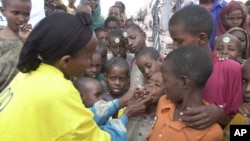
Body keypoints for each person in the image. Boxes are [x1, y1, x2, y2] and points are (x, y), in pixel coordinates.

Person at [0, 12, 152, 141]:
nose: (89, 64)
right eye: (87, 58)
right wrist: (126, 115)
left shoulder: (31, 74)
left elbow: (80, 119)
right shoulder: (59, 91)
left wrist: (120, 102)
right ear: (66, 61)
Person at [168, 5, 243, 129]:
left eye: (179, 41)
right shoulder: (174, 69)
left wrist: (221, 116)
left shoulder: (231, 69)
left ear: (201, 38)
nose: (174, 47)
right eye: (173, 41)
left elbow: (241, 132)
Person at [148, 46, 223, 141]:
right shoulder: (164, 103)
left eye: (165, 80)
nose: (163, 85)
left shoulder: (211, 134)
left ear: (184, 82)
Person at [0, 0, 32, 93]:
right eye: (15, 13)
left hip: (21, 97)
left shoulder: (33, 39)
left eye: (26, 15)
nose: (21, 19)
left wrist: (28, 41)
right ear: (3, 11)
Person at [126, 71, 165, 141]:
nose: (149, 85)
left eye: (157, 85)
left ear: (165, 93)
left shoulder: (162, 119)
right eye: (149, 82)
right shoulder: (133, 109)